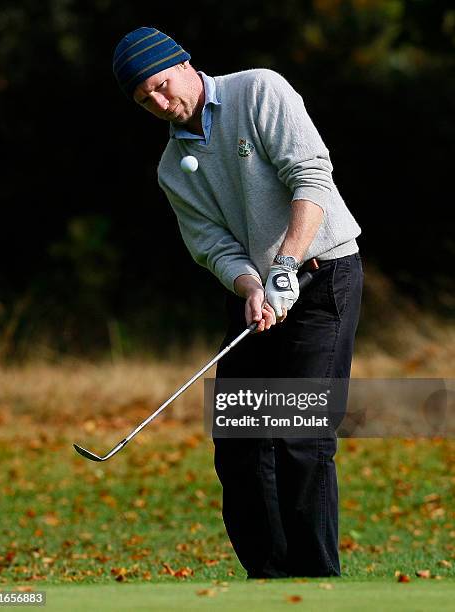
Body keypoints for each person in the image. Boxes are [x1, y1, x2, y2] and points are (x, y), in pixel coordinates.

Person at [113, 26, 363, 578]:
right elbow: (213, 246)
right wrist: (253, 286)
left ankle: (316, 581)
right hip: (257, 298)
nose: (159, 103)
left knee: (300, 435)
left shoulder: (259, 91)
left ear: (183, 63)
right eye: (143, 101)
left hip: (323, 279)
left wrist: (286, 264)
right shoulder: (170, 167)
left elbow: (312, 176)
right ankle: (268, 581)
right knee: (240, 443)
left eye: (159, 85)